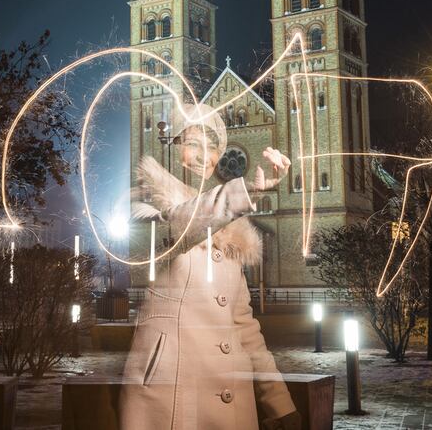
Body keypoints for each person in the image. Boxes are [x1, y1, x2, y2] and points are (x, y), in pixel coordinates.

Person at [120, 103, 301, 430]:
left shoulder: (231, 230)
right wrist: (249, 191)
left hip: (231, 406)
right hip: (170, 401)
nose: (206, 155)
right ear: (172, 146)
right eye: (193, 144)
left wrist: (279, 402)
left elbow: (244, 327)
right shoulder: (145, 203)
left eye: (214, 145)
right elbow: (178, 226)